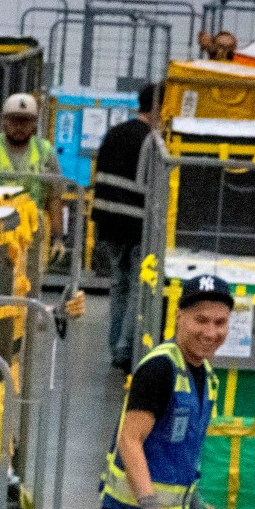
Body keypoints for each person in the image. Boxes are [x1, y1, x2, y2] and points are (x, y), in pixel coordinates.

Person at [102, 272, 233, 509]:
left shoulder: (206, 376)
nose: (211, 332)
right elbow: (130, 438)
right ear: (179, 317)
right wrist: (148, 503)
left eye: (220, 322)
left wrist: (193, 500)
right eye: (201, 320)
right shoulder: (161, 369)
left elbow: (176, 450)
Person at [91, 84, 160, 372]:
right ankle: (123, 348)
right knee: (136, 288)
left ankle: (114, 346)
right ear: (158, 107)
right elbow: (150, 185)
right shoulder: (153, 141)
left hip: (107, 222)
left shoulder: (114, 132)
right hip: (135, 224)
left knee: (118, 285)